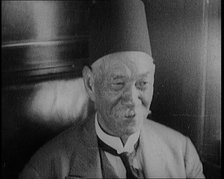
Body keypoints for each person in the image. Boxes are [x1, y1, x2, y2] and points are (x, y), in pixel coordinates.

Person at [19, 0, 205, 178]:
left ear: (154, 76)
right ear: (90, 83)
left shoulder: (182, 154)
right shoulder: (45, 170)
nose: (132, 99)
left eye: (142, 83)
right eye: (118, 83)